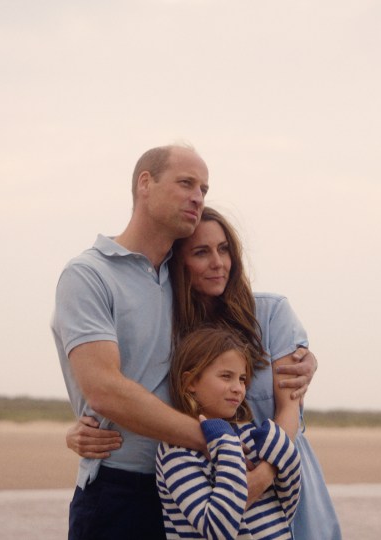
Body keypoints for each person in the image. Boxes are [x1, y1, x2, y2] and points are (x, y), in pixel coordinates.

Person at [52, 145, 317, 540]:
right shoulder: (89, 275)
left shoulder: (183, 288)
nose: (198, 196)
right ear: (145, 183)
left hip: (192, 490)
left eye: (204, 189)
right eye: (186, 183)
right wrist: (214, 440)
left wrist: (305, 357)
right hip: (121, 487)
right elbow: (104, 389)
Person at [156, 326, 301, 539]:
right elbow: (217, 529)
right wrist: (226, 444)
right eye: (226, 376)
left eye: (242, 379)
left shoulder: (248, 433)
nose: (238, 388)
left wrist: (281, 449)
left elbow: (287, 505)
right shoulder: (176, 451)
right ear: (190, 382)